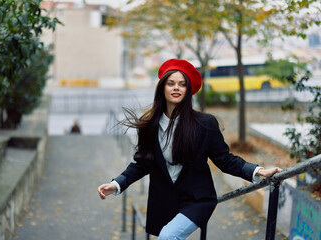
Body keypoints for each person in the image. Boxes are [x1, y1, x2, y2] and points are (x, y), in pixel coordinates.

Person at [97, 59, 282, 239]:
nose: (176, 88)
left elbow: (224, 160)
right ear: (162, 87)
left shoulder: (204, 124)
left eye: (182, 84)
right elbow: (142, 163)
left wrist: (258, 171)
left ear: (188, 90)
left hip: (197, 199)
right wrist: (117, 184)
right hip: (165, 201)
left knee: (168, 236)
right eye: (171, 83)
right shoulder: (149, 126)